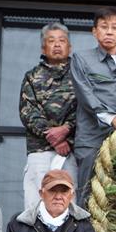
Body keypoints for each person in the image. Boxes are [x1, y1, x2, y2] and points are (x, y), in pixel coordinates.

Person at [71, 7, 116, 205]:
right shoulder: (81, 59)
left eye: (114, 27)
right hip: (91, 139)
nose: (109, 32)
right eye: (104, 27)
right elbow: (85, 94)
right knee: (86, 194)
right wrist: (111, 118)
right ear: (94, 32)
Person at [20, 22, 78, 210]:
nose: (57, 44)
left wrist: (66, 131)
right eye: (51, 41)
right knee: (35, 204)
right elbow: (27, 111)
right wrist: (54, 138)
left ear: (70, 47)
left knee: (70, 205)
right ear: (43, 47)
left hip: (71, 151)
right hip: (40, 151)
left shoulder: (80, 75)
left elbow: (86, 109)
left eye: (62, 41)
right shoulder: (32, 76)